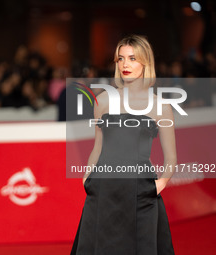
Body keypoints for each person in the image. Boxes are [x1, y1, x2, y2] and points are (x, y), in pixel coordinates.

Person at [70, 35, 176, 254]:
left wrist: (160, 184)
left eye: (132, 58)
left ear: (146, 62)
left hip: (141, 190)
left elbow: (171, 157)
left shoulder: (161, 106)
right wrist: (87, 177)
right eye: (121, 58)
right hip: (103, 188)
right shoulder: (103, 101)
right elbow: (97, 147)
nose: (125, 64)